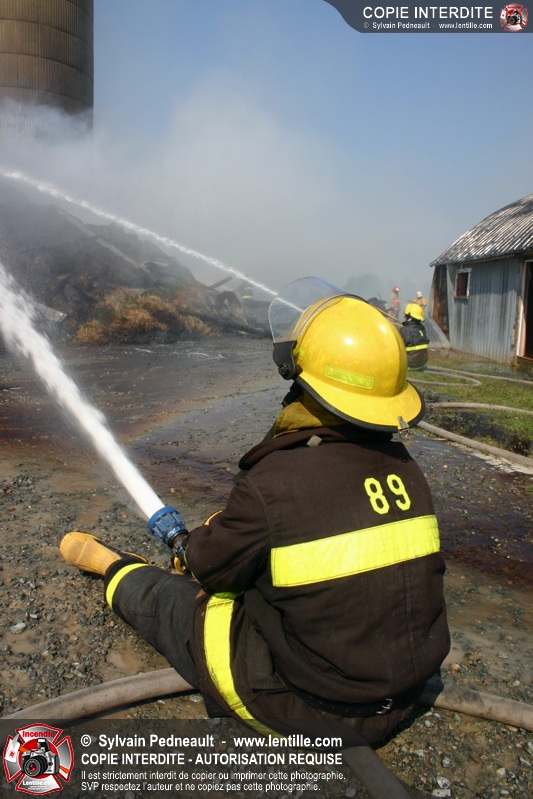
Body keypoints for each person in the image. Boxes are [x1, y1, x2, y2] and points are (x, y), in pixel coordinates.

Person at [60, 277, 449, 747]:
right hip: (405, 696)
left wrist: (191, 544)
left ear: (302, 380)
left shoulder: (276, 482)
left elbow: (210, 570)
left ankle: (111, 567)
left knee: (181, 603)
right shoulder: (408, 471)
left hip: (314, 711)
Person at [399, 303, 430, 370]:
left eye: (405, 315)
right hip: (422, 362)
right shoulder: (422, 328)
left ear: (409, 317)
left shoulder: (404, 330)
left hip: (410, 364)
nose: (404, 317)